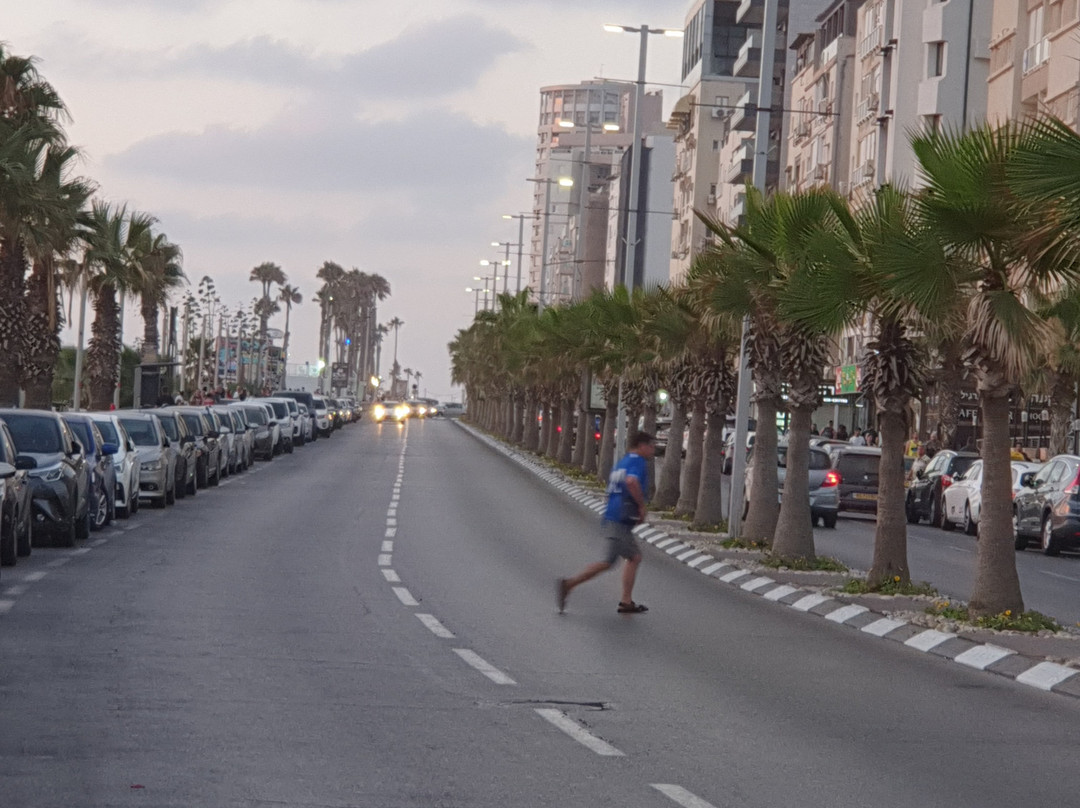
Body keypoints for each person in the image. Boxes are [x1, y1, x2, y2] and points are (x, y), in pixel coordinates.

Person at [558, 431, 655, 614]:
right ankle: (570, 584)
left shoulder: (623, 461)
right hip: (621, 518)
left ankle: (626, 601)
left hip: (613, 515)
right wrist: (641, 506)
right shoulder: (637, 462)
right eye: (650, 446)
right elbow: (632, 481)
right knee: (628, 558)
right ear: (641, 445)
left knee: (620, 559)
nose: (652, 450)